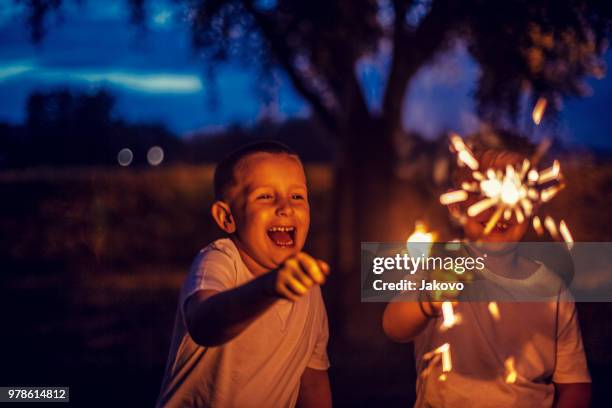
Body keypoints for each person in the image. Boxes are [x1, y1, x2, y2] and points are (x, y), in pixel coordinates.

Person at [382, 149, 591, 407]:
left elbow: (575, 386)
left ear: (532, 205)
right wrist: (428, 301)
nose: (498, 211)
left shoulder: (552, 289)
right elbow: (393, 326)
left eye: (512, 194)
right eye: (484, 194)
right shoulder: (440, 266)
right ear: (458, 205)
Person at [156, 141, 332, 407]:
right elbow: (205, 323)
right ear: (227, 217)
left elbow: (312, 380)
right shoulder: (220, 260)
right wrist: (268, 288)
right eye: (265, 196)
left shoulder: (308, 286)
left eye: (297, 196)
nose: (285, 207)